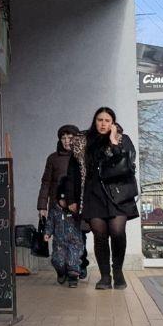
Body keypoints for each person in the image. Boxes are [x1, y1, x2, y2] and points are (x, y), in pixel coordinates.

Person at [82, 106, 138, 289]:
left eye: (107, 120)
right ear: (95, 122)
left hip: (118, 194)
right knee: (99, 235)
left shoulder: (123, 140)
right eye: (100, 120)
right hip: (95, 194)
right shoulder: (87, 141)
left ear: (113, 123)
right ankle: (105, 276)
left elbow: (126, 164)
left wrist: (114, 142)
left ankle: (118, 271)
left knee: (117, 232)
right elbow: (81, 171)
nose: (103, 124)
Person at [36, 125, 86, 286]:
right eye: (63, 138)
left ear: (75, 140)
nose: (66, 141)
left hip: (76, 205)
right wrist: (42, 205)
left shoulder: (81, 156)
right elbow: (45, 182)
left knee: (79, 237)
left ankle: (78, 267)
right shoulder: (53, 158)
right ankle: (62, 269)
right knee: (59, 241)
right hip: (57, 205)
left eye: (70, 138)